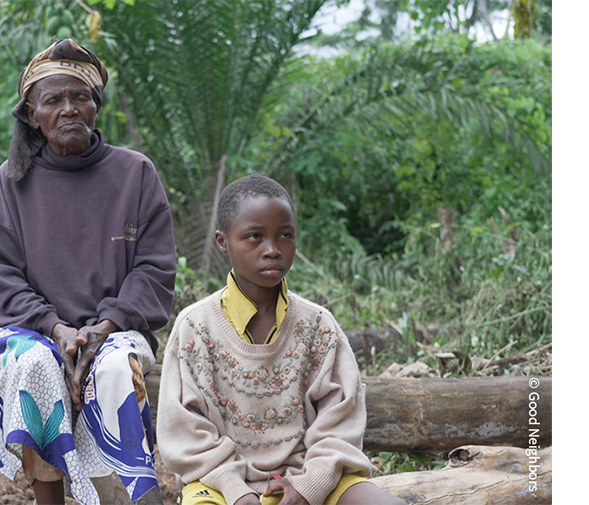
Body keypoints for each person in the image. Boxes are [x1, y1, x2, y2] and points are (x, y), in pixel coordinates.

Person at [0, 38, 177, 505]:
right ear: (32, 115)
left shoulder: (135, 173)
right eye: (54, 100)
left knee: (113, 368)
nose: (69, 109)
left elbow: (154, 269)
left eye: (80, 97)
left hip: (118, 329)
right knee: (34, 364)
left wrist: (103, 328)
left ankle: (129, 497)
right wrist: (57, 328)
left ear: (96, 107)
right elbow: (1, 272)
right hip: (35, 329)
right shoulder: (13, 180)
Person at [157, 174, 404, 505]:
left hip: (307, 478)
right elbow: (185, 432)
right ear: (222, 241)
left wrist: (310, 484)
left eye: (284, 235)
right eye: (254, 237)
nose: (272, 250)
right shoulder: (195, 328)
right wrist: (235, 490)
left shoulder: (318, 326)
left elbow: (339, 420)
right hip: (217, 485)